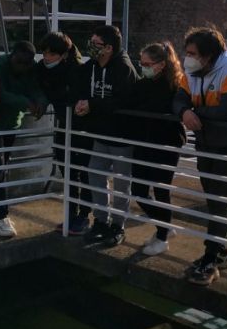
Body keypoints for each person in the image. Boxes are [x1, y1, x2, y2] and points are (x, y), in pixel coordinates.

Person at [174, 26, 227, 286]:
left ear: (208, 56)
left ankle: (211, 255)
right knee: (212, 196)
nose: (188, 58)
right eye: (187, 53)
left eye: (193, 53)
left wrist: (194, 111)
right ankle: (222, 252)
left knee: (220, 198)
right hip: (206, 143)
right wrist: (185, 111)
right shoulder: (193, 72)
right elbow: (178, 99)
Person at [72, 24, 139, 246]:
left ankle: (118, 225)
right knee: (95, 175)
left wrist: (92, 104)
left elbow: (124, 100)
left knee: (121, 184)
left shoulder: (123, 68)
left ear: (108, 48)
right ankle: (101, 220)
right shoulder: (92, 66)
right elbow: (82, 87)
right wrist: (82, 103)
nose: (90, 46)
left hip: (121, 135)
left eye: (95, 43)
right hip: (100, 133)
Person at [123, 42, 187, 256]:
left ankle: (162, 236)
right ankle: (165, 228)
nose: (143, 67)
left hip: (166, 143)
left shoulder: (175, 86)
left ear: (161, 65)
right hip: (144, 141)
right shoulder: (143, 84)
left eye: (147, 64)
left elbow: (164, 107)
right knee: (140, 191)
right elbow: (130, 103)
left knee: (161, 189)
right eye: (141, 63)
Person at [0, 40, 48, 238]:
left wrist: (40, 102)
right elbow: (0, 94)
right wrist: (26, 103)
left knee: (1, 168)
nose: (21, 67)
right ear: (12, 56)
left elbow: (36, 88)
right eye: (18, 62)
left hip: (12, 123)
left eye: (25, 64)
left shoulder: (30, 69)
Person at [36, 31, 92, 235]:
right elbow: (38, 86)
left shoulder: (78, 70)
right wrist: (42, 99)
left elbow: (80, 95)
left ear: (64, 54)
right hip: (63, 124)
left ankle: (84, 214)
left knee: (83, 170)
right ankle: (71, 212)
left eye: (52, 54)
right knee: (66, 168)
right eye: (44, 53)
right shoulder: (43, 68)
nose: (46, 58)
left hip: (81, 126)